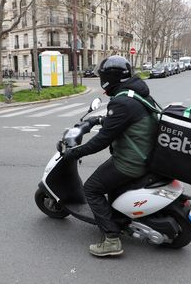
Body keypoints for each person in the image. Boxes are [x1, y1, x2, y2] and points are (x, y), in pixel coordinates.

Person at [63, 55, 158, 257]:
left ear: (109, 78)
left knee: (91, 189)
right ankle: (120, 219)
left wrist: (73, 153)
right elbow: (124, 120)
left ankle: (111, 240)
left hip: (131, 161)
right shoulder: (135, 93)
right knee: (108, 182)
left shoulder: (123, 102)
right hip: (145, 155)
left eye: (103, 76)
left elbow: (102, 141)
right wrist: (97, 119)